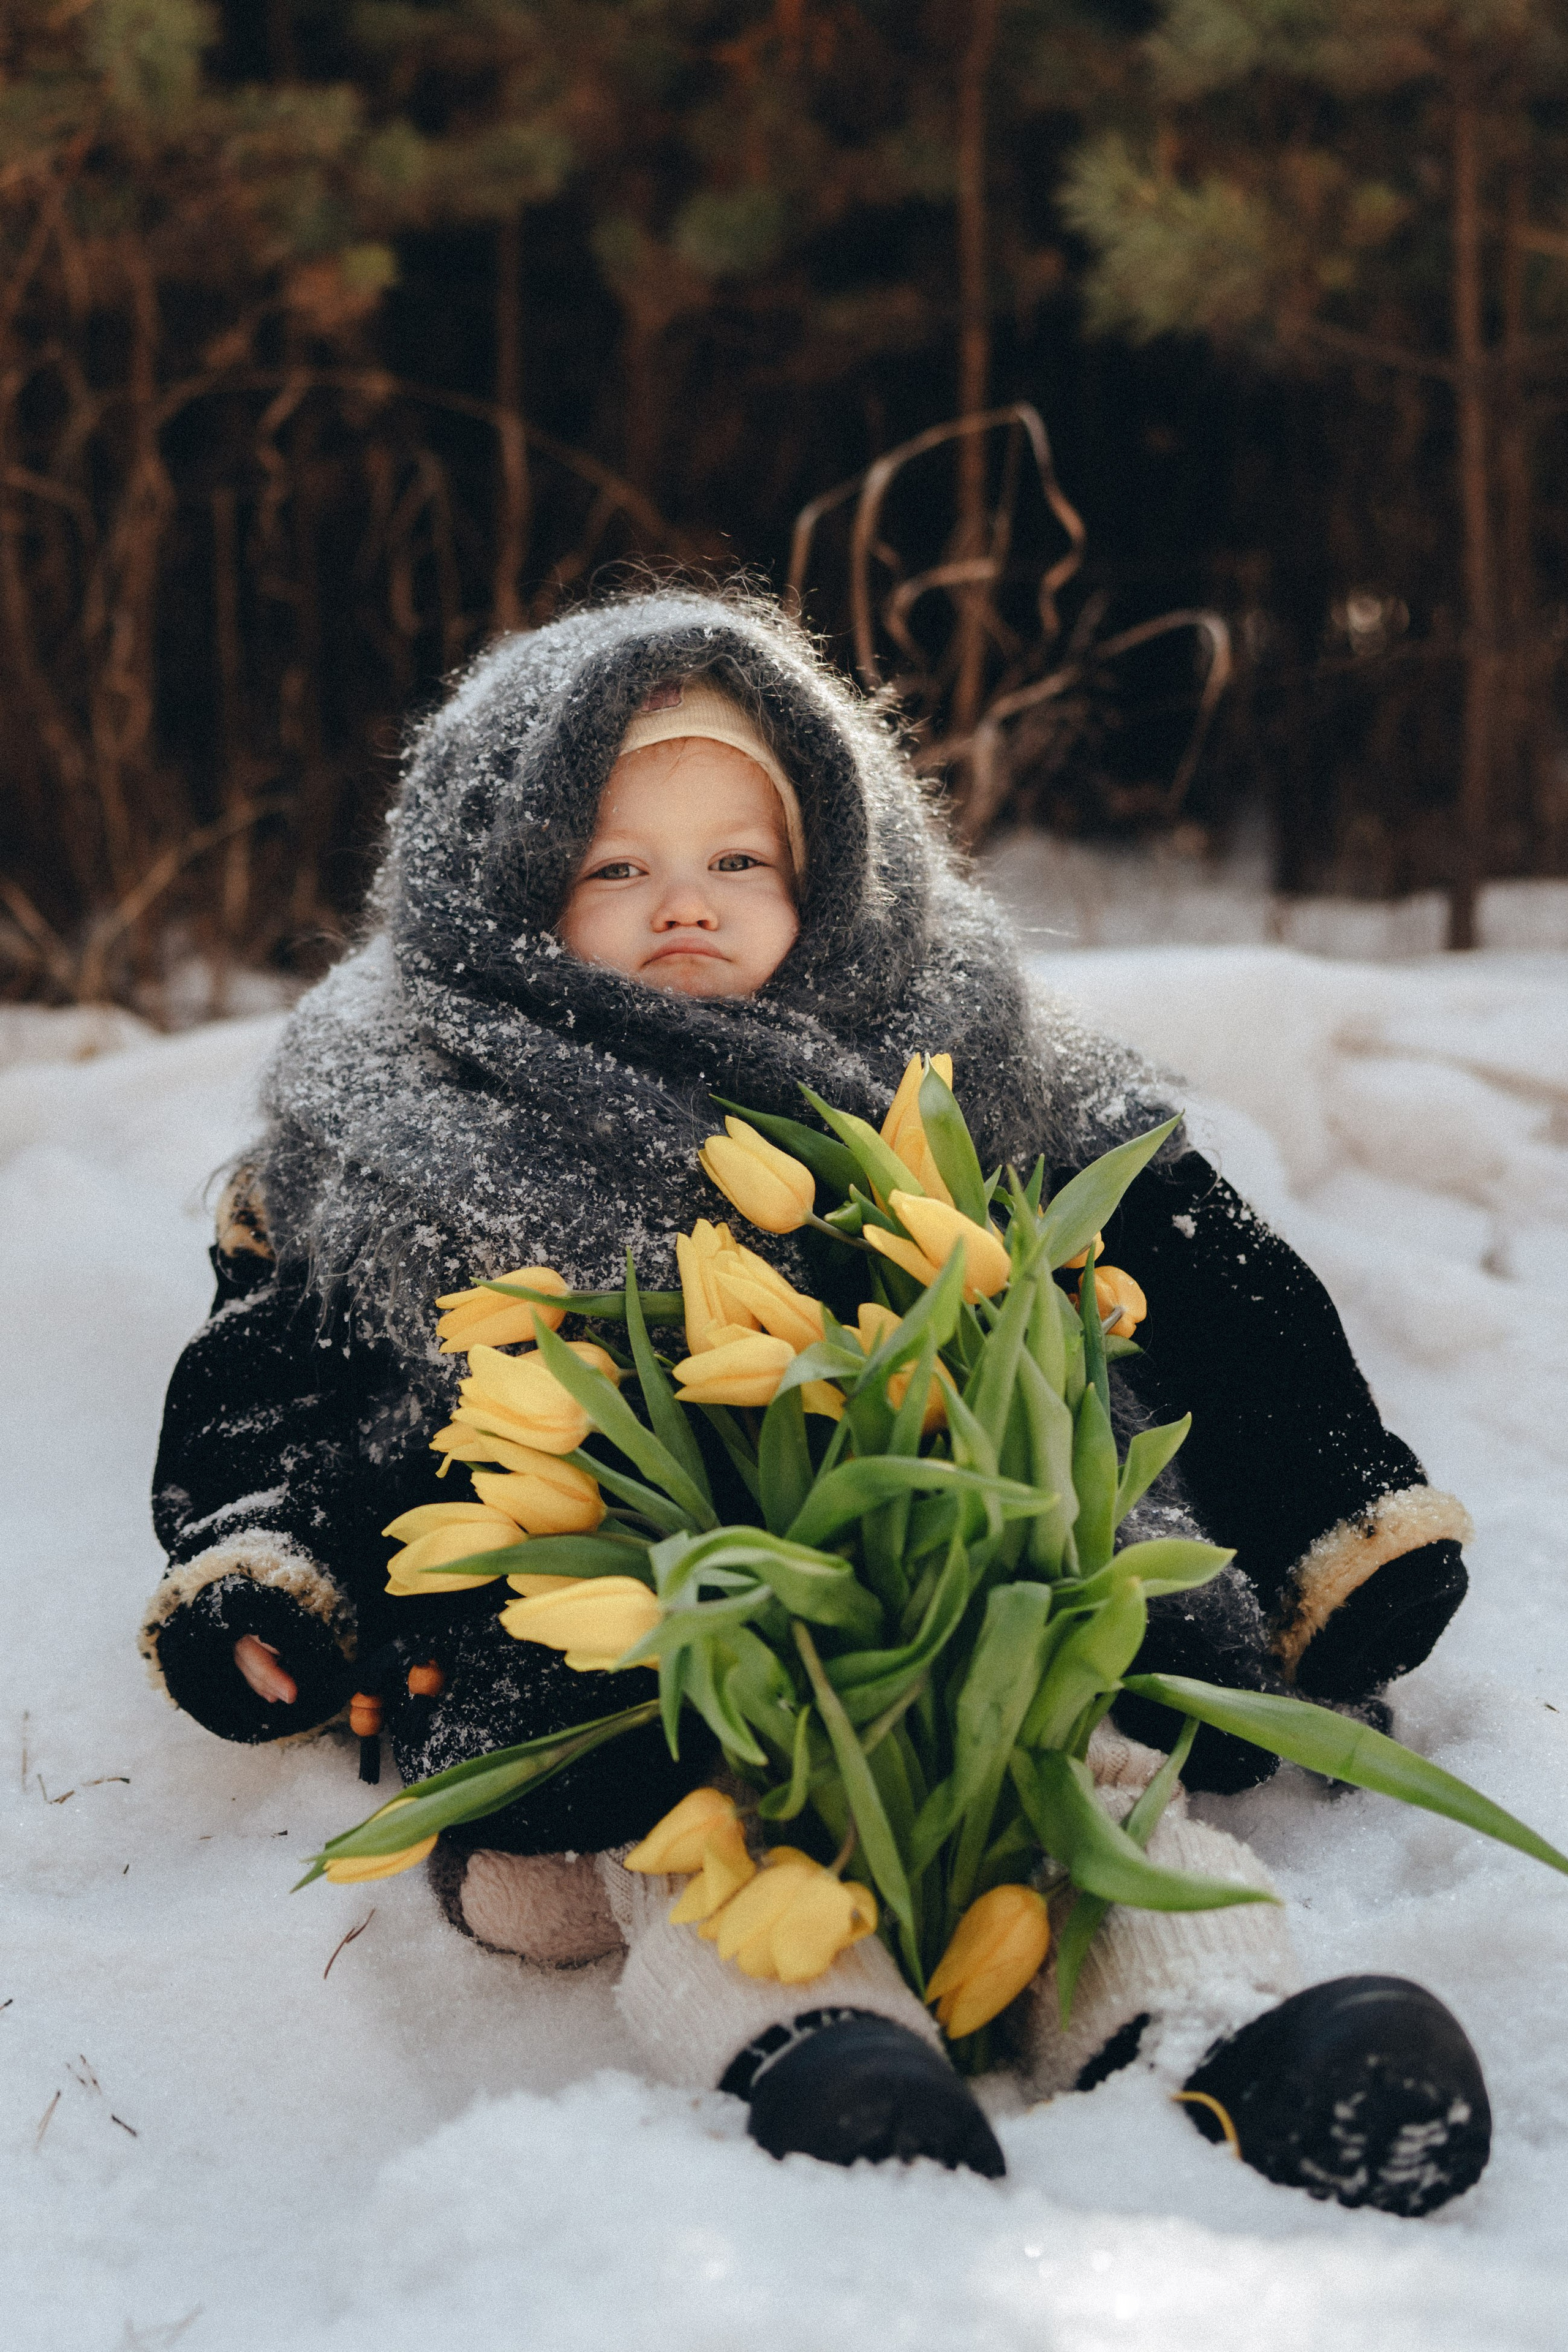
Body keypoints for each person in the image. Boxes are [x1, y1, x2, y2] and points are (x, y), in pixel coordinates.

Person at [141, 587, 1485, 2207]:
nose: (682, 905)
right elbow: (280, 1384)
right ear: (496, 881)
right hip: (630, 1647)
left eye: (739, 861)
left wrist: (1332, 1513)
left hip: (973, 1593)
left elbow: (1209, 1281)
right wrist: (268, 1568)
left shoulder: (971, 1058)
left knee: (1079, 1757)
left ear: (834, 864)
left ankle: (1215, 2020)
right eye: (613, 866)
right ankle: (819, 2048)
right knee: (693, 1819)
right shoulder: (398, 1124)